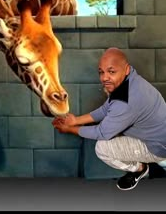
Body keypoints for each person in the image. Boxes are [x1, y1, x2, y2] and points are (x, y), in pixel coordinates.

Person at [52, 47, 166, 191]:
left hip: (159, 147)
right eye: (101, 72)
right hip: (157, 134)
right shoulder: (130, 79)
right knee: (116, 127)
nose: (104, 78)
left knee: (102, 148)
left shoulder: (127, 101)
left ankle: (141, 168)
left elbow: (102, 133)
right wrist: (76, 120)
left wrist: (69, 128)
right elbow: (106, 109)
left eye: (111, 72)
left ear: (126, 69)